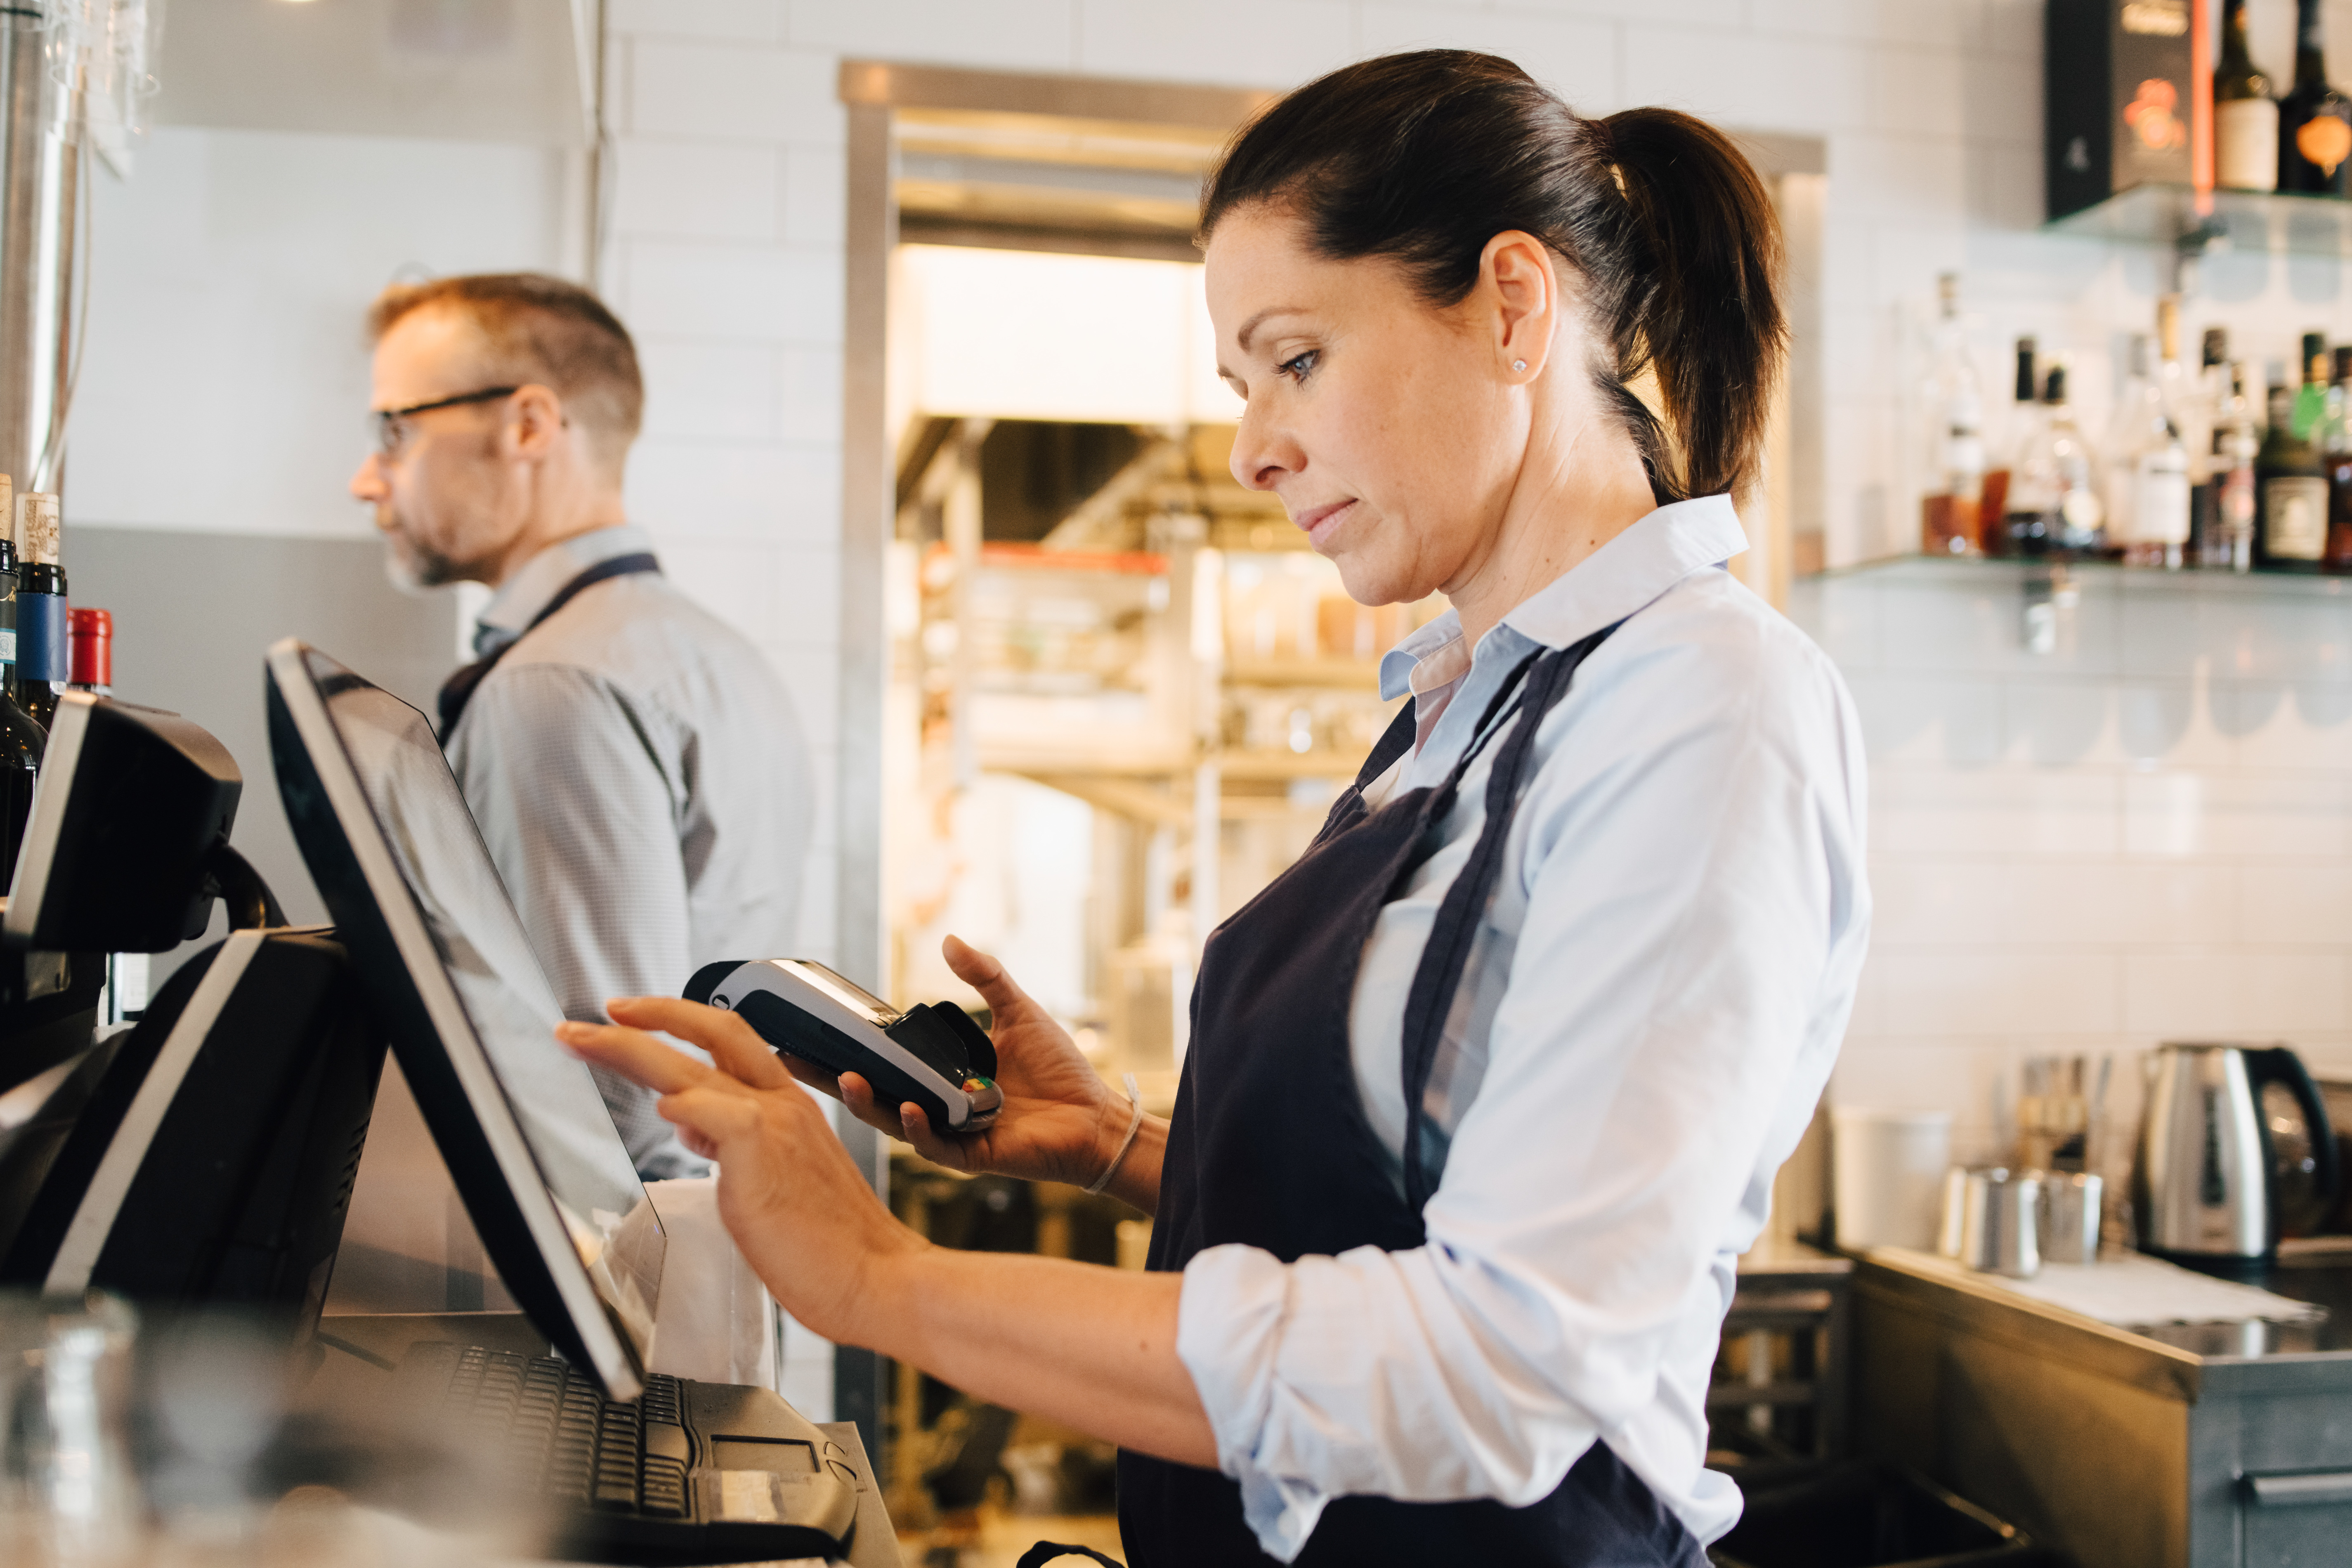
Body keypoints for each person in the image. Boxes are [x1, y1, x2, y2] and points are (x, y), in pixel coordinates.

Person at [566, 50, 1867, 1567]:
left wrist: (876, 1277)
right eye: (1243, 384)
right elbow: (1425, 1178)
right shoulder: (1462, 703)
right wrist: (1122, 1145)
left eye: (1295, 359)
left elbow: (1507, 1370)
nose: (1254, 446)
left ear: (1514, 308)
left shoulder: (1705, 709)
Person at [352, 272, 814, 1180]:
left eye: (394, 432)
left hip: (632, 1268)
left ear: (528, 425)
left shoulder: (553, 683)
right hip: (722, 1230)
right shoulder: (709, 652)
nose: (367, 479)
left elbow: (609, 1100)